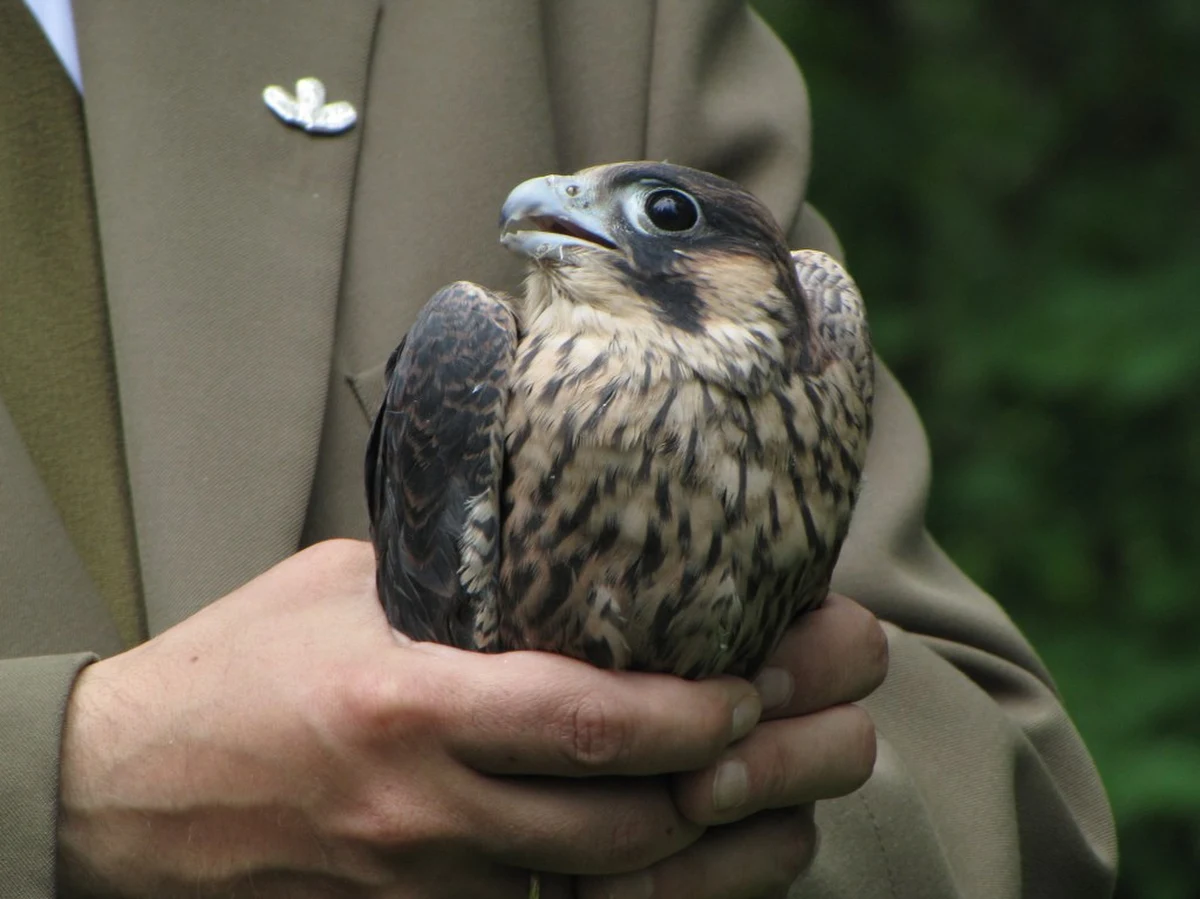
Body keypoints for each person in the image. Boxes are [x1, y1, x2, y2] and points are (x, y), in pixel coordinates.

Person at [0, 1, 1117, 897]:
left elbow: (982, 770)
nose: (549, 205)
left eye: (655, 217)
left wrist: (684, 828)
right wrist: (61, 787)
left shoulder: (608, 29)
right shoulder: (477, 341)